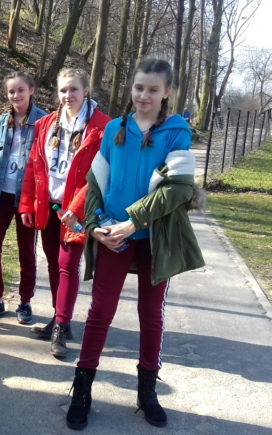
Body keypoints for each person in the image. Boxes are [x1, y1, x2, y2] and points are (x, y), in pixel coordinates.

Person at [65, 59, 204, 431]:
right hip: (113, 236)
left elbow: (178, 188)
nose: (144, 95)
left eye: (153, 90)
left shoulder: (177, 132)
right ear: (131, 88)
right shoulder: (114, 129)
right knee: (100, 312)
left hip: (155, 239)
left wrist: (133, 222)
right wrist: (94, 225)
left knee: (151, 314)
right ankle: (82, 389)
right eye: (139, 87)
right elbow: (96, 183)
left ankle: (147, 391)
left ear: (166, 92)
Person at [18, 68, 110, 358]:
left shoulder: (103, 126)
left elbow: (100, 174)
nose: (68, 95)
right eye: (63, 90)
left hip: (79, 209)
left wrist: (77, 208)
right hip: (50, 205)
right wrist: (27, 204)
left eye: (73, 89)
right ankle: (60, 317)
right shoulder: (45, 124)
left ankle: (60, 326)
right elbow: (34, 166)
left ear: (85, 91)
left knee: (67, 264)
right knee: (53, 264)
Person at [0, 71, 47, 324]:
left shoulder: (43, 121)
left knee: (26, 249)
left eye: (20, 90)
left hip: (27, 197)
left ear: (31, 90)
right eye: (11, 91)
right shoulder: (1, 122)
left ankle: (25, 301)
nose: (16, 95)